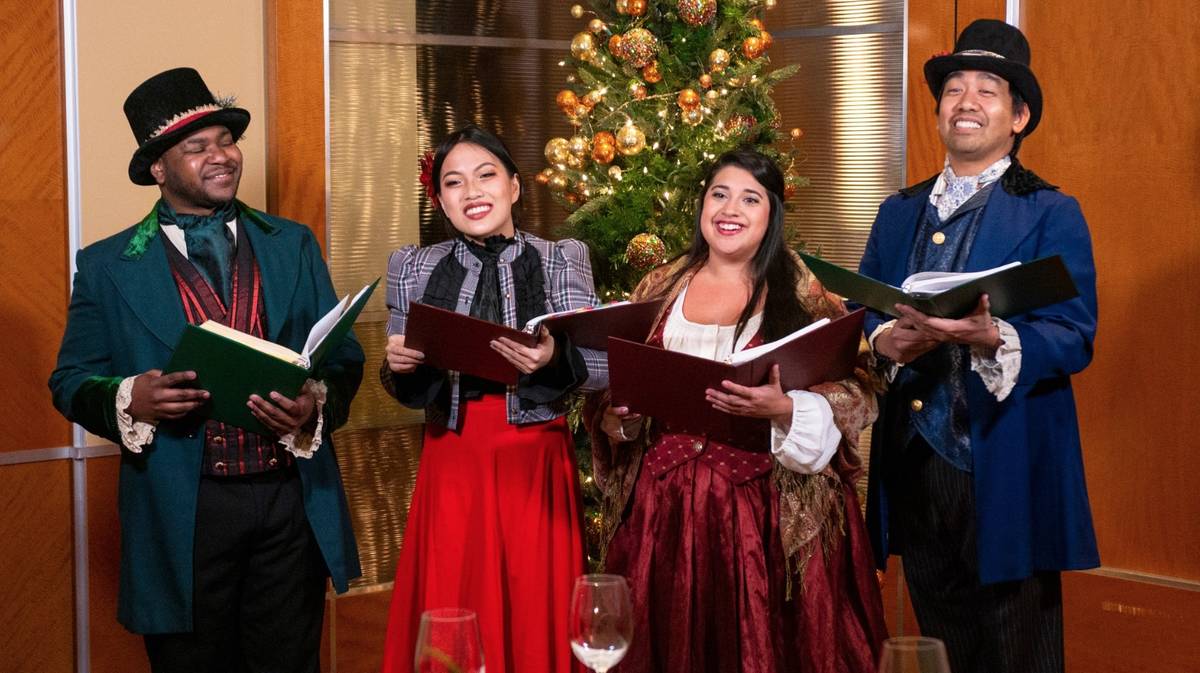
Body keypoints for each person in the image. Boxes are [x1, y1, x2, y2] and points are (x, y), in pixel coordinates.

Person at [48, 68, 364, 672]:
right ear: (159, 169)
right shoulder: (106, 264)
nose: (221, 156)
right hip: (181, 511)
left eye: (225, 140)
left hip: (288, 503)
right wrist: (130, 396)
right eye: (197, 147)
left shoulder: (293, 243)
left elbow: (344, 358)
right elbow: (70, 380)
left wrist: (314, 407)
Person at [859, 19, 1100, 673]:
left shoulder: (1052, 211)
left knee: (1021, 648)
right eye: (954, 88)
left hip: (1008, 464)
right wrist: (886, 338)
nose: (966, 101)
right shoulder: (897, 211)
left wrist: (995, 335)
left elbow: (1074, 334)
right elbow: (861, 313)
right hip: (913, 465)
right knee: (943, 644)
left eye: (987, 90)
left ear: (1019, 115)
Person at [589, 148, 887, 673]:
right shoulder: (658, 286)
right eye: (719, 194)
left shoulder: (804, 293)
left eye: (750, 199)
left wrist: (788, 408)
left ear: (771, 214)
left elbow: (859, 390)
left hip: (766, 511)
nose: (730, 209)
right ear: (702, 204)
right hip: (664, 512)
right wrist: (620, 419)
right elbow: (618, 385)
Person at [379, 125, 608, 673]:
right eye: (453, 183)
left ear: (514, 186)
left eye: (486, 176)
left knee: (535, 604)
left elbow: (603, 369)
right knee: (454, 604)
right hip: (452, 459)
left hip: (534, 460)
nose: (471, 192)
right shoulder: (411, 266)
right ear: (439, 200)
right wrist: (400, 365)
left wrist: (554, 360)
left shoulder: (562, 257)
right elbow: (401, 383)